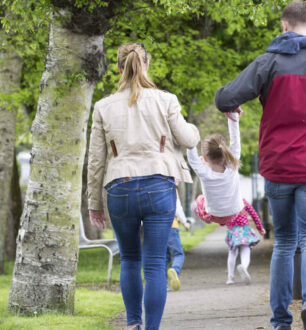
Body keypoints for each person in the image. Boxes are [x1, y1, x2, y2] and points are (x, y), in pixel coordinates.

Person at [214, 1, 306, 329]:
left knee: (284, 241)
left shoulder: (267, 63)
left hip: (278, 168)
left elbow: (225, 98)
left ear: (284, 26)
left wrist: (233, 108)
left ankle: (280, 321)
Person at [87, 42, 200, 330]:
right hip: (159, 187)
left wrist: (94, 203)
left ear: (118, 68)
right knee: (153, 265)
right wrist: (196, 131)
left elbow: (96, 160)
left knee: (129, 260)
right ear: (147, 64)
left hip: (119, 188)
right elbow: (188, 138)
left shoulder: (102, 107)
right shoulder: (167, 100)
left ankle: (133, 324)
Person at [187, 111, 243, 226]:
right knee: (206, 200)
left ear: (205, 158)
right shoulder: (233, 165)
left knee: (197, 201)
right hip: (234, 212)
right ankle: (216, 218)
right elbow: (236, 142)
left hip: (214, 214)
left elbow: (192, 159)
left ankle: (206, 217)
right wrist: (233, 118)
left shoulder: (204, 172)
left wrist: (191, 135)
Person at [225, 198, 266, 285]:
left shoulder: (225, 202)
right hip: (244, 230)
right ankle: (244, 267)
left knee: (232, 253)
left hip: (232, 231)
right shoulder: (242, 201)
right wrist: (260, 228)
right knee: (245, 251)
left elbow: (221, 220)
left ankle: (230, 277)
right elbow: (253, 214)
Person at [166, 188, 191, 291]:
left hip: (157, 228)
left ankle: (162, 285)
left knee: (163, 257)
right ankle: (175, 270)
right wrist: (184, 222)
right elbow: (177, 208)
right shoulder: (171, 187)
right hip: (172, 226)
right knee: (178, 253)